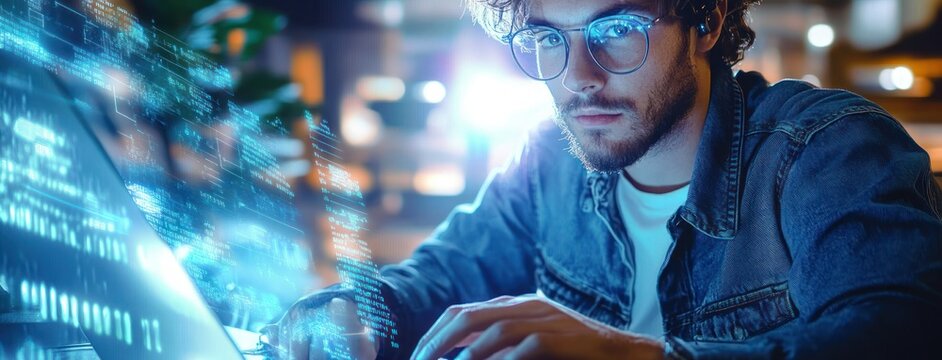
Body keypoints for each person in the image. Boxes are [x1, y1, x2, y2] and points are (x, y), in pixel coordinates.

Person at [266, 0, 942, 359]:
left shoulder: (826, 148)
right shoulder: (548, 161)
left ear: (703, 21)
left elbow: (895, 335)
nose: (578, 76)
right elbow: (438, 278)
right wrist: (349, 317)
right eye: (547, 37)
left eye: (615, 29)